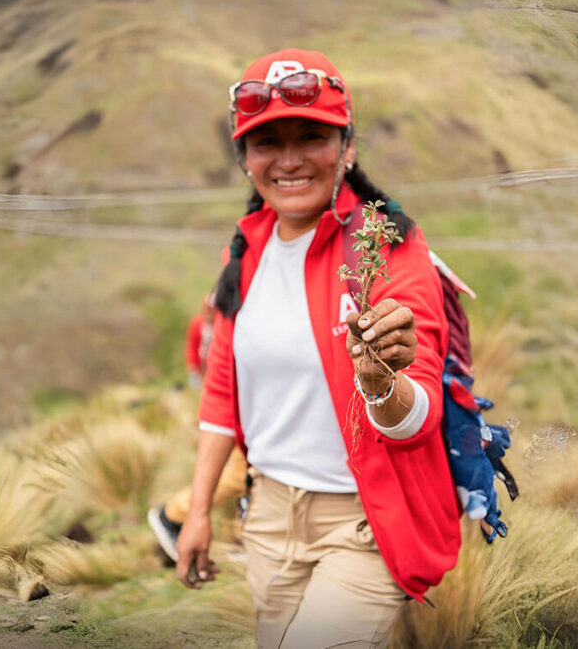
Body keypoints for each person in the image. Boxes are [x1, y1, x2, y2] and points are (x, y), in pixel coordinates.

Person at [175, 49, 461, 648]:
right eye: (266, 142)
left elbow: (417, 420)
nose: (288, 159)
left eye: (311, 136)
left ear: (347, 147)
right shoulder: (245, 252)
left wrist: (383, 382)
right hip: (270, 522)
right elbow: (222, 392)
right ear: (245, 158)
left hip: (363, 523)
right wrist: (198, 509)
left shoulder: (388, 249)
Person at [148, 293, 249, 562]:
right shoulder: (212, 324)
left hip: (244, 397)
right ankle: (174, 513)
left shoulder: (228, 319)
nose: (207, 311)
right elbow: (196, 349)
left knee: (253, 474)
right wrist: (194, 373)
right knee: (242, 474)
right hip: (228, 395)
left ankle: (243, 535)